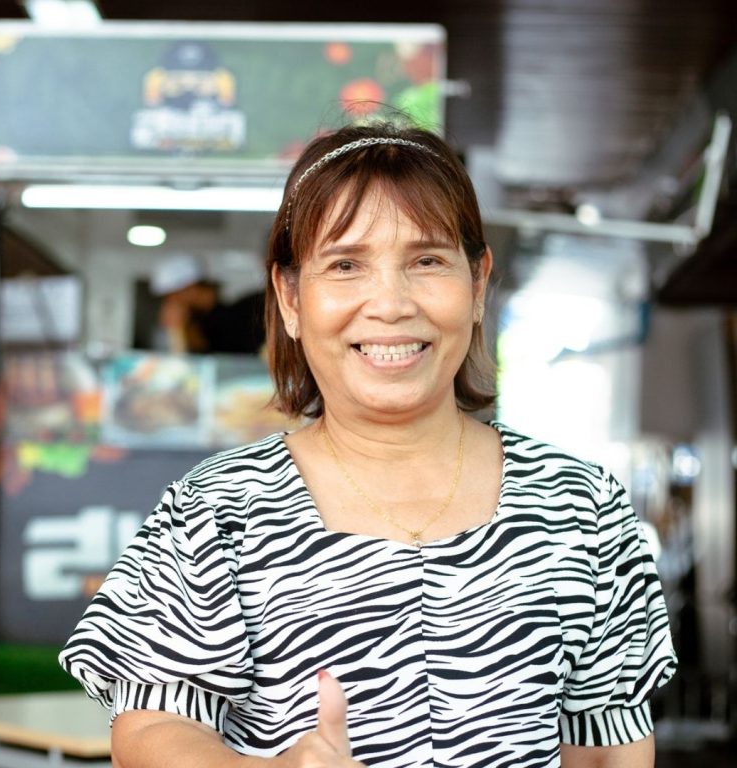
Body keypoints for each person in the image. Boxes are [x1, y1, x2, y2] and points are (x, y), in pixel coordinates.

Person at [60, 120, 677, 768]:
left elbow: (607, 749)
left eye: (427, 260)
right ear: (290, 297)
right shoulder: (215, 512)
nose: (390, 304)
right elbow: (152, 729)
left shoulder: (584, 507)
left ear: (478, 283)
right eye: (346, 265)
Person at [150, 252, 265, 355]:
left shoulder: (249, 311)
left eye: (172, 296)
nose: (170, 303)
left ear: (190, 288)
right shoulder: (197, 321)